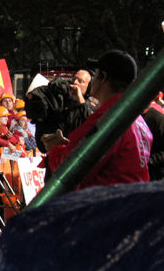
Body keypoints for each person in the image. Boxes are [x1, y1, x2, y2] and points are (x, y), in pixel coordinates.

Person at [43, 50, 153, 190]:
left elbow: (70, 170)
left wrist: (55, 149)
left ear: (104, 78)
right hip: (131, 203)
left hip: (107, 205)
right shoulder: (136, 119)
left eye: (95, 75)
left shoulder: (107, 118)